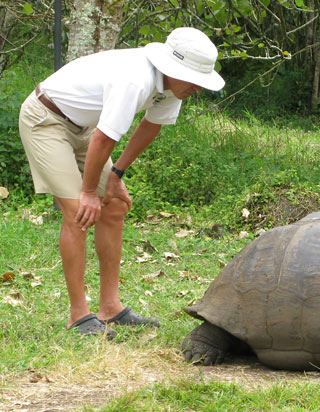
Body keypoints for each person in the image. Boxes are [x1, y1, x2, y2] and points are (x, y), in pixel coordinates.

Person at [18, 27, 225, 338]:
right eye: (194, 78)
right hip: (46, 120)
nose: (198, 87)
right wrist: (88, 191)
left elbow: (150, 126)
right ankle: (78, 316)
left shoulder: (174, 87)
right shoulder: (135, 78)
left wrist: (116, 177)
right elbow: (105, 137)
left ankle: (110, 308)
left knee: (114, 206)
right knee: (78, 212)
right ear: (173, 68)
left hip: (85, 129)